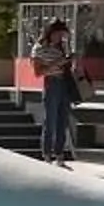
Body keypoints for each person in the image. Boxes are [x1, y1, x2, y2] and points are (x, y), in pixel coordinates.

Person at [29, 17, 78, 166]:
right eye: (57, 34)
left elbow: (66, 66)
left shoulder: (61, 47)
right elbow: (38, 72)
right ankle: (47, 154)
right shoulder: (39, 48)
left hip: (64, 83)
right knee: (50, 120)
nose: (59, 37)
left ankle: (59, 154)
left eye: (61, 35)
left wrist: (70, 60)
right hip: (51, 83)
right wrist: (58, 62)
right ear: (50, 33)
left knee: (62, 120)